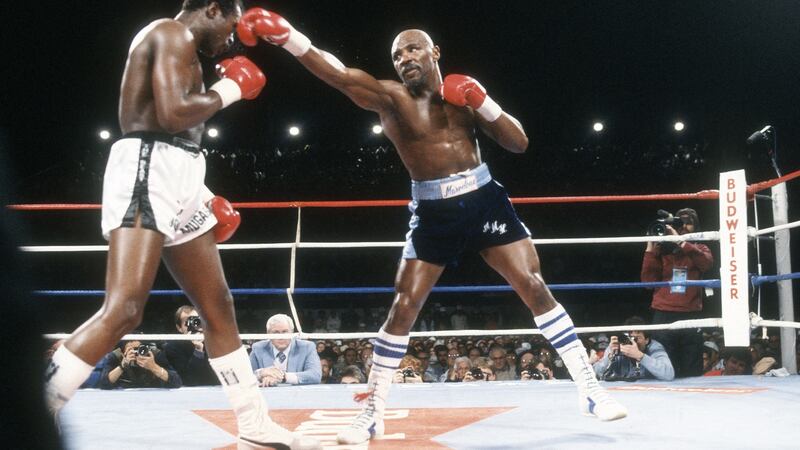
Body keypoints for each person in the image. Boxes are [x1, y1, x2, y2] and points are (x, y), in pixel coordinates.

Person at [237, 10, 627, 444]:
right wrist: (289, 37)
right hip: (432, 213)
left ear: (434, 51)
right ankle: (372, 411)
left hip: (484, 202)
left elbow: (518, 142)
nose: (404, 58)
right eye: (397, 54)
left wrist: (483, 100)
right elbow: (339, 74)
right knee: (402, 308)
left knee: (534, 286)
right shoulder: (391, 99)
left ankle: (590, 390)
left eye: (412, 48)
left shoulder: (463, 98)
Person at [42, 2, 319, 449]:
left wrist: (203, 194)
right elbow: (172, 115)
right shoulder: (170, 34)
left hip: (179, 169)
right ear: (213, 8)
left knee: (218, 306)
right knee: (125, 308)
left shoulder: (186, 49)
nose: (234, 37)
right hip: (147, 166)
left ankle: (254, 423)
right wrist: (233, 87)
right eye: (232, 24)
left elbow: (178, 133)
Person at [641, 208, 713, 377]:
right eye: (680, 222)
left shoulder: (700, 248)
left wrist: (681, 242)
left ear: (696, 228)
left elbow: (706, 264)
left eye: (689, 223)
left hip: (690, 314)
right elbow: (648, 283)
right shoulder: (662, 251)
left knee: (691, 365)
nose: (684, 226)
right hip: (663, 312)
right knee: (664, 365)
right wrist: (650, 248)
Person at [593, 317, 675, 381]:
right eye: (629, 338)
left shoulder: (654, 347)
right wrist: (609, 356)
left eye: (636, 338)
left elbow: (669, 374)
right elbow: (596, 374)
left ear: (647, 340)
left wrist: (641, 356)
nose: (633, 343)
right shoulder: (617, 346)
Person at [249, 314, 322, 386]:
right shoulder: (258, 348)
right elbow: (245, 377)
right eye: (276, 332)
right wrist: (261, 373)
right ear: (268, 334)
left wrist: (283, 377)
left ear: (292, 332)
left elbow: (315, 375)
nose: (281, 337)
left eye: (285, 332)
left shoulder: (307, 347)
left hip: (297, 395)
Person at [162, 305, 219, 386]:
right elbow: (189, 380)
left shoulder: (216, 342)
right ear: (179, 328)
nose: (193, 325)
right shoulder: (173, 347)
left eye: (196, 321)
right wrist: (198, 350)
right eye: (187, 322)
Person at [98, 340, 182, 389]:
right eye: (131, 350)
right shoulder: (116, 356)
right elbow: (103, 383)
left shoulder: (155, 355)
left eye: (138, 349)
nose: (135, 353)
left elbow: (177, 382)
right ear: (123, 351)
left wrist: (153, 367)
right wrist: (122, 366)